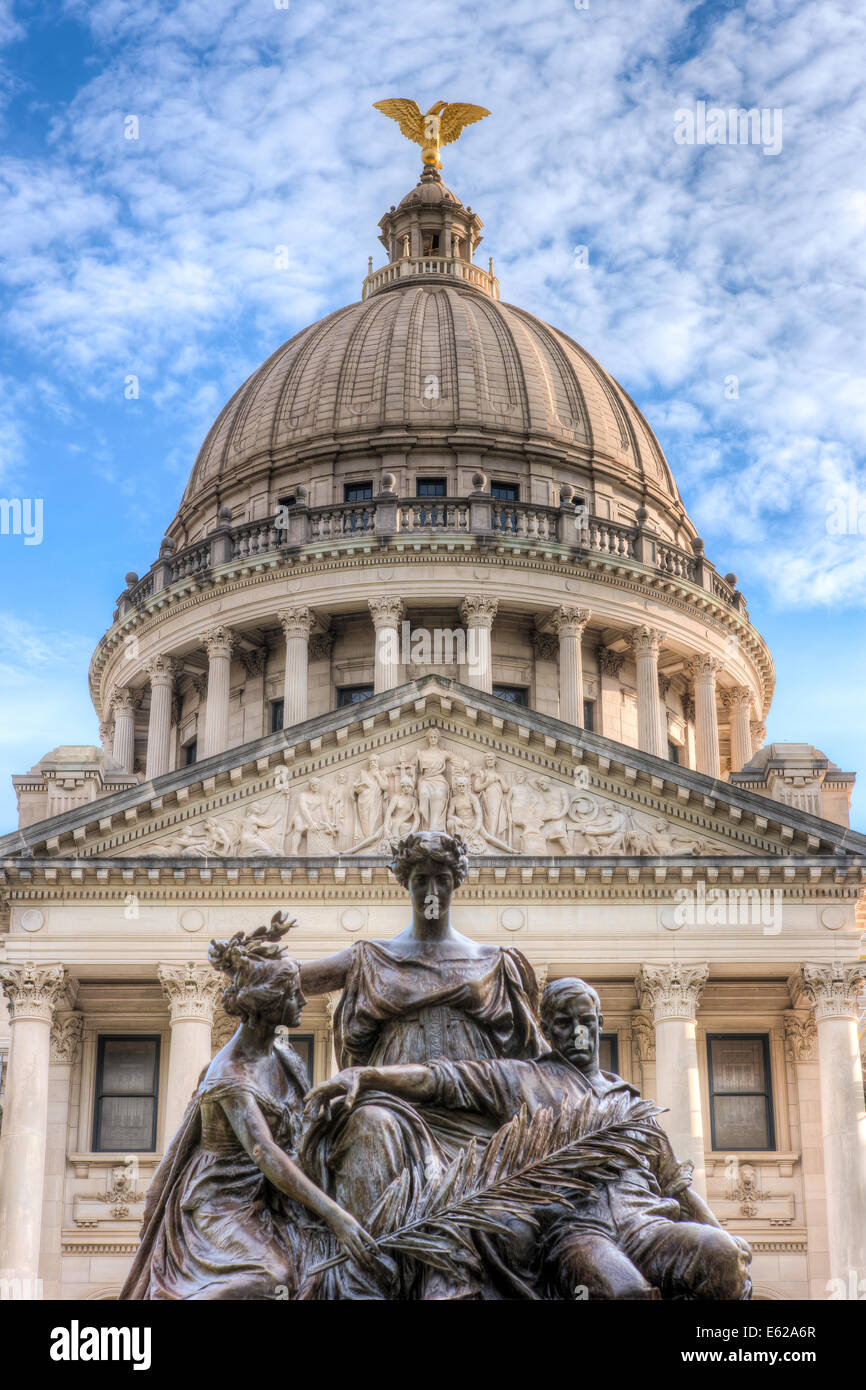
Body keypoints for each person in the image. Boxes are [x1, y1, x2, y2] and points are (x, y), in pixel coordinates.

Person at [306, 978, 752, 1301]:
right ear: (547, 1029)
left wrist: (717, 1229)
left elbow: (675, 1184)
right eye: (564, 1023)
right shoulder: (524, 1078)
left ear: (600, 1024)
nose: (577, 1033)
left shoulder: (627, 1099)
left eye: (586, 1022)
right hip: (579, 1231)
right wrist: (365, 1075)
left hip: (649, 1223)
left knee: (721, 1257)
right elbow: (442, 1079)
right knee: (623, 1291)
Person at [120, 919, 377, 1300]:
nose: (303, 1001)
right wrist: (336, 1216)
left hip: (266, 1197)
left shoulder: (286, 1058)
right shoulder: (231, 1074)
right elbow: (267, 1153)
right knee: (272, 1277)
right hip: (219, 1204)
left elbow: (301, 1132)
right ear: (268, 1005)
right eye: (294, 994)